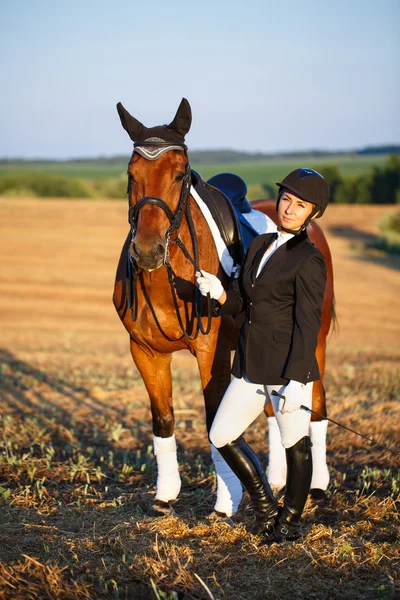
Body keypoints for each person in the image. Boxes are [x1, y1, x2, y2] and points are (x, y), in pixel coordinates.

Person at [196, 168, 330, 543]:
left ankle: (288, 524)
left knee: (295, 446)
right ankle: (266, 507)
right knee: (221, 433)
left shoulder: (309, 259)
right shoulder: (260, 245)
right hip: (251, 365)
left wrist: (299, 380)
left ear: (312, 213)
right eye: (286, 199)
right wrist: (219, 293)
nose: (289, 208)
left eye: (299, 205)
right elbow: (241, 300)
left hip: (287, 370)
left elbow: (309, 325)